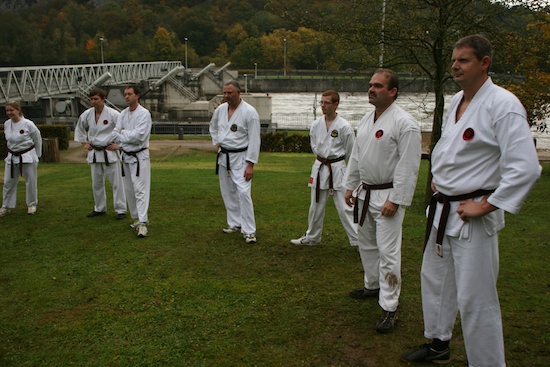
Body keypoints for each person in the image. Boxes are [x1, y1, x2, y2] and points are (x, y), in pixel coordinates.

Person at [401, 35, 541, 365]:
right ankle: (438, 344)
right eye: (453, 59)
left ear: (484, 63)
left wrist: (488, 204)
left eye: (463, 60)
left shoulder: (503, 105)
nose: (455, 65)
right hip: (444, 209)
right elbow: (455, 150)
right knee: (434, 281)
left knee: (476, 300)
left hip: (471, 216)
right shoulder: (456, 102)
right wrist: (440, 177)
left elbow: (526, 166)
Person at [344, 69, 422, 333]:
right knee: (366, 244)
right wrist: (350, 185)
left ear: (392, 92)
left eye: (378, 86)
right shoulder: (367, 119)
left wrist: (397, 199)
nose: (371, 89)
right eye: (370, 85)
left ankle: (389, 306)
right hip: (365, 192)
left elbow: (409, 166)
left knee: (388, 253)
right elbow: (356, 156)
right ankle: (372, 285)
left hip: (388, 195)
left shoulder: (405, 123)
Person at [290, 89, 357, 247]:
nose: (323, 106)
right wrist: (324, 159)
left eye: (327, 103)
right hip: (320, 167)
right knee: (315, 206)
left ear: (336, 105)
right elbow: (315, 146)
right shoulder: (315, 125)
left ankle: (359, 241)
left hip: (338, 168)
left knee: (345, 207)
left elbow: (351, 152)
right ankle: (312, 237)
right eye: (321, 102)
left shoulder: (345, 127)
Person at [209, 80, 261, 244]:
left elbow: (254, 139)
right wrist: (216, 141)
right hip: (224, 156)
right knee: (228, 192)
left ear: (239, 93)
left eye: (229, 93)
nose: (226, 96)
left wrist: (251, 164)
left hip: (241, 158)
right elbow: (213, 127)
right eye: (224, 93)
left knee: (244, 193)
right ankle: (234, 223)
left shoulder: (249, 112)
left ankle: (249, 230)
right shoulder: (220, 109)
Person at [74, 88, 126, 219]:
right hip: (95, 152)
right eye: (91, 99)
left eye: (96, 99)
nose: (93, 102)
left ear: (103, 99)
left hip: (109, 153)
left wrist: (119, 146)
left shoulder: (113, 114)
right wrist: (84, 143)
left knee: (116, 183)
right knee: (96, 183)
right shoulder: (87, 114)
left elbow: (124, 130)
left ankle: (121, 209)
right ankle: (99, 208)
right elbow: (79, 128)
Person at [108, 85, 152, 238]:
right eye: (125, 94)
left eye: (130, 94)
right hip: (126, 155)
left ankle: (143, 222)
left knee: (140, 189)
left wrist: (123, 134)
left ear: (137, 95)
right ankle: (136, 217)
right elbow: (114, 133)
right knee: (129, 190)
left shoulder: (144, 114)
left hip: (139, 157)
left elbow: (139, 136)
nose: (126, 97)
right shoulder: (123, 114)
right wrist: (123, 138)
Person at [1, 101, 42, 217]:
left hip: (27, 156)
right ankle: (6, 206)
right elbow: (9, 141)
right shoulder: (7, 124)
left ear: (18, 110)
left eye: (11, 110)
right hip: (12, 156)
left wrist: (37, 155)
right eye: (7, 110)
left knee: (31, 181)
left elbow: (37, 139)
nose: (9, 113)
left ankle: (32, 204)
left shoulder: (28, 124)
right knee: (8, 182)